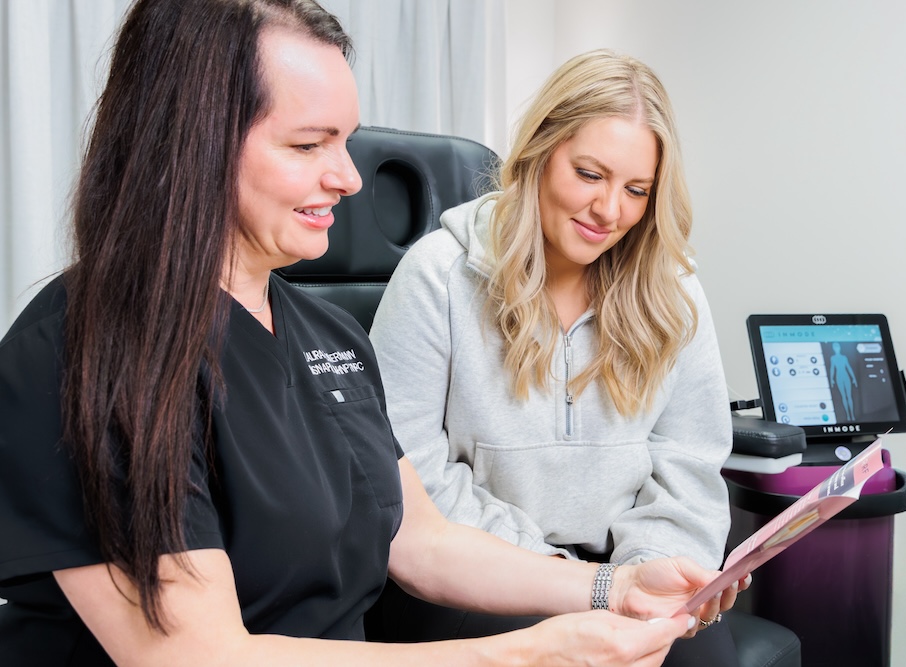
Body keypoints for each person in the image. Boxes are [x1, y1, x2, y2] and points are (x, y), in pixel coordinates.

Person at [0, 1, 744, 665]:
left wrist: (611, 585)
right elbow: (201, 655)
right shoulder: (79, 351)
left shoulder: (330, 338)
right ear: (192, 144)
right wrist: (527, 653)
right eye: (307, 146)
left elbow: (417, 539)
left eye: (346, 141)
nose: (351, 179)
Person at [368, 49, 741, 664]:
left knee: (708, 656)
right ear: (539, 154)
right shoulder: (438, 276)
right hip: (479, 576)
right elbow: (413, 481)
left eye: (636, 189)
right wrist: (562, 580)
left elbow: (689, 470)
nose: (610, 210)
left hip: (629, 573)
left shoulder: (674, 295)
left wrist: (640, 580)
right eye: (590, 174)